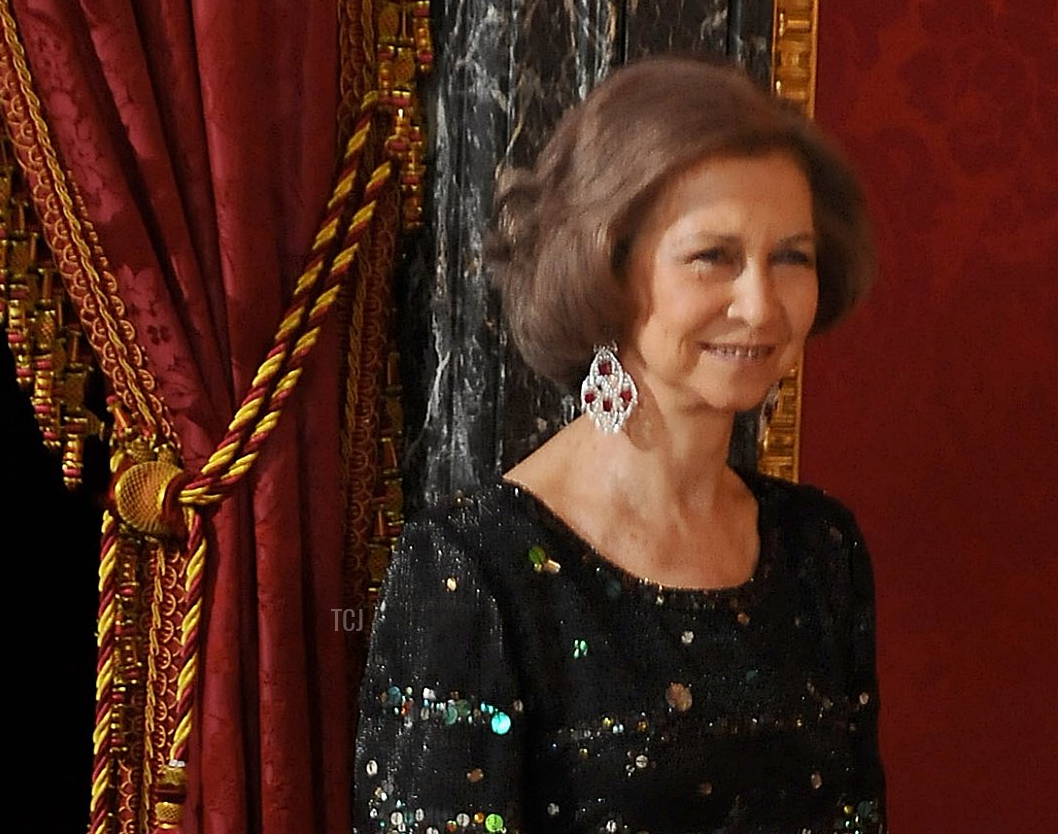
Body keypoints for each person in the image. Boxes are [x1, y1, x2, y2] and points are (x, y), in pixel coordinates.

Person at [352, 56, 886, 834]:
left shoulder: (820, 549)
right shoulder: (474, 570)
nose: (760, 304)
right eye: (713, 257)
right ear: (604, 268)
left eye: (790, 258)